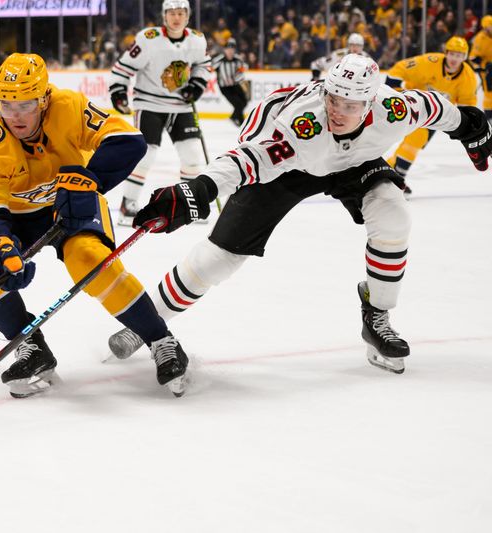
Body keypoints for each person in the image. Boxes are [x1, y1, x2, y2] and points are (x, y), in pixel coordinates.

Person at [107, 54, 492, 375]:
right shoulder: (302, 125)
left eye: (350, 105)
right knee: (221, 258)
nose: (338, 111)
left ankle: (377, 315)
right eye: (333, 100)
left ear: (373, 103)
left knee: (394, 215)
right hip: (291, 163)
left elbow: (436, 108)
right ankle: (149, 322)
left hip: (353, 163)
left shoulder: (395, 109)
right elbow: (249, 159)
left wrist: (469, 126)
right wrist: (200, 188)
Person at [0, 53, 190, 398]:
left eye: (25, 105)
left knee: (88, 257)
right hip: (18, 216)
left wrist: (89, 178)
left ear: (44, 99)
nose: (14, 116)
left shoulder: (69, 107)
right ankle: (30, 345)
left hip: (74, 204)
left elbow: (127, 140)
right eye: (5, 104)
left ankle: (160, 339)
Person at [107, 0, 212, 226]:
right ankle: (128, 205)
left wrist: (196, 85)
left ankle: (187, 204)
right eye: (172, 13)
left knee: (193, 155)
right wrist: (118, 91)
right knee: (146, 154)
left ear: (188, 16)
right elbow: (123, 67)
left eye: (181, 13)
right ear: (164, 16)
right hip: (149, 103)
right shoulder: (149, 39)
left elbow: (204, 65)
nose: (176, 17)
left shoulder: (197, 39)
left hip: (181, 105)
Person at [385, 36, 477, 194]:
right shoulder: (429, 62)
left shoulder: (468, 78)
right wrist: (395, 94)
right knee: (416, 140)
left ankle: (385, 173)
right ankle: (397, 178)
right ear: (446, 53)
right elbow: (398, 70)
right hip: (413, 105)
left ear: (465, 57)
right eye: (453, 54)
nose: (455, 59)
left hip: (436, 116)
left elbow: (467, 106)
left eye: (459, 55)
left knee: (412, 146)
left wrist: (464, 127)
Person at [211, 37, 250, 126]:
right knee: (238, 104)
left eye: (232, 49)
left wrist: (241, 70)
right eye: (228, 49)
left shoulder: (237, 59)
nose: (230, 51)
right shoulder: (219, 60)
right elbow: (210, 67)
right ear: (224, 50)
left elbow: (245, 66)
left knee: (244, 102)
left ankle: (233, 117)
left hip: (235, 85)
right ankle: (242, 124)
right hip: (225, 87)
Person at [469, 15, 492, 123]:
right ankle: (489, 116)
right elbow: (473, 57)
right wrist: (478, 66)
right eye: (490, 26)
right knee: (489, 92)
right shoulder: (480, 38)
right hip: (487, 69)